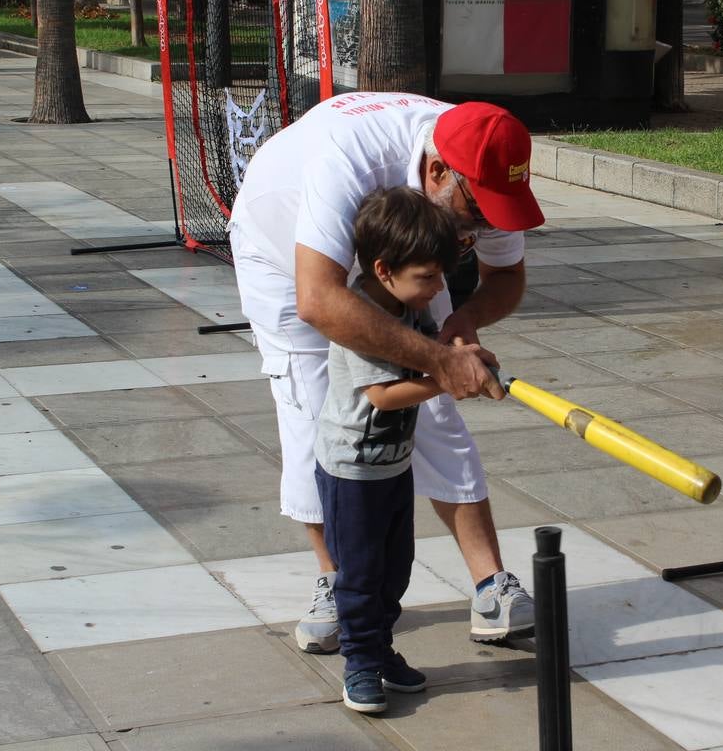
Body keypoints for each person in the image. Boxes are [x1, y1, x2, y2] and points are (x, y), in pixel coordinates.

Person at [229, 92, 545, 654]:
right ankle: (338, 582)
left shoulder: (481, 168)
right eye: (479, 213)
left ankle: (492, 586)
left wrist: (463, 323)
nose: (488, 225)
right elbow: (320, 300)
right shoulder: (349, 159)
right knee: (315, 411)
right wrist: (439, 361)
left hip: (404, 250)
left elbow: (507, 276)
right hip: (285, 256)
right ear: (438, 171)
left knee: (439, 407)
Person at [315, 186, 461, 713]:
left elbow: (432, 353)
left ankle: (380, 649)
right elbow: (385, 393)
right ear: (383, 270)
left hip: (392, 466)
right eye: (428, 277)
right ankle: (359, 661)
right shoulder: (362, 320)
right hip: (351, 471)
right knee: (359, 573)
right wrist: (448, 378)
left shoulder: (406, 304)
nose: (437, 287)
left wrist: (460, 353)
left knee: (395, 567)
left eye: (441, 274)